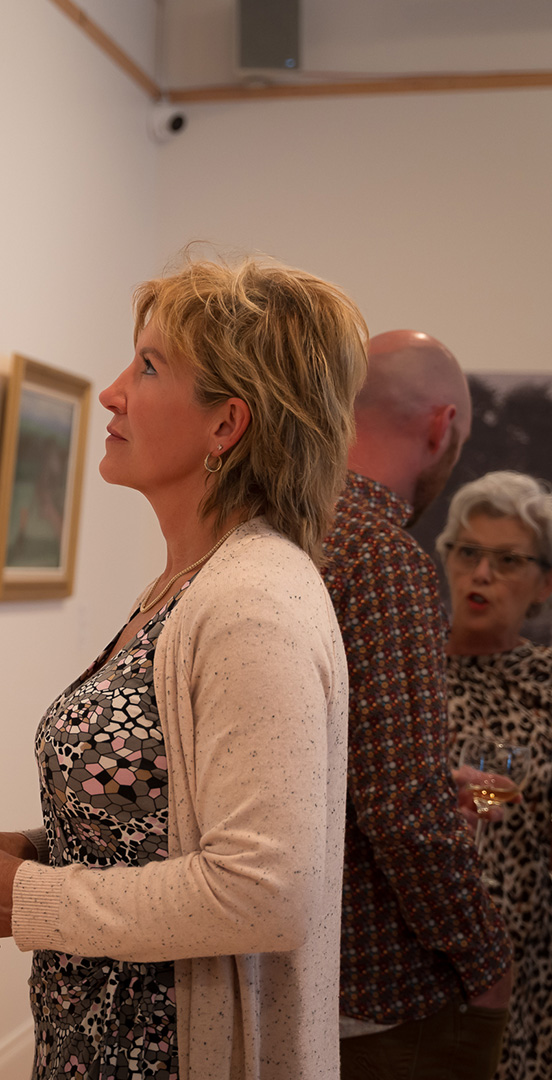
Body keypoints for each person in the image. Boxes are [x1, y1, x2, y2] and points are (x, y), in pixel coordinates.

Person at [0, 256, 366, 1079]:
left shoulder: (253, 603)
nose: (112, 392)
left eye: (148, 367)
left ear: (227, 425)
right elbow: (166, 829)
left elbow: (267, 890)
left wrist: (22, 897)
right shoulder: (192, 583)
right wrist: (35, 852)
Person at [319, 330, 513, 1080]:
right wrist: (483, 952)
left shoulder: (286, 530)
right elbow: (400, 808)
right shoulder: (385, 557)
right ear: (441, 427)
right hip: (376, 990)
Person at [437, 471, 552, 1080]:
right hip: (413, 960)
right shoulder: (407, 671)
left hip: (528, 965)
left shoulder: (546, 685)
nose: (481, 574)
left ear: (544, 584)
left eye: (507, 560)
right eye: (469, 552)